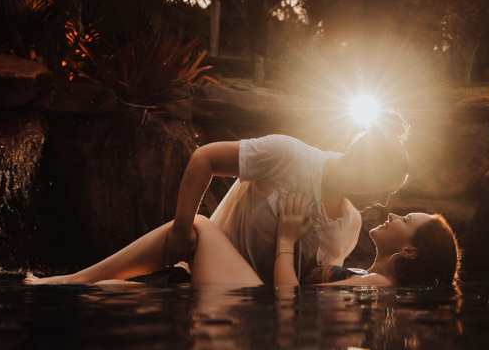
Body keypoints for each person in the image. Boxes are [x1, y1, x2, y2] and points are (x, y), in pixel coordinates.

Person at [23, 120, 439, 286]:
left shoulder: (348, 224)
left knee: (200, 232)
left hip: (251, 306)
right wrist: (183, 227)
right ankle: (71, 283)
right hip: (207, 275)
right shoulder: (289, 155)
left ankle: (69, 283)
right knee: (192, 232)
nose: (385, 202)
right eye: (383, 187)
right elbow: (204, 157)